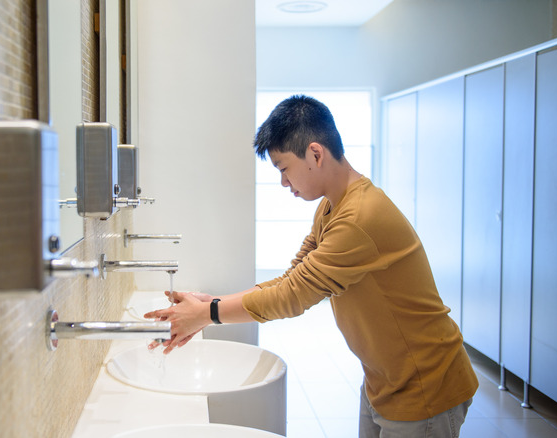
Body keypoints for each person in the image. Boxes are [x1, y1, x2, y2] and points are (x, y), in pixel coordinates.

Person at [145, 95, 478, 437]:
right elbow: (292, 278)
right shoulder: (332, 207)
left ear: (316, 154)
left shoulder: (360, 217)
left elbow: (292, 295)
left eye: (284, 169)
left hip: (424, 383)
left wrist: (210, 314)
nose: (284, 183)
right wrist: (210, 305)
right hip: (386, 378)